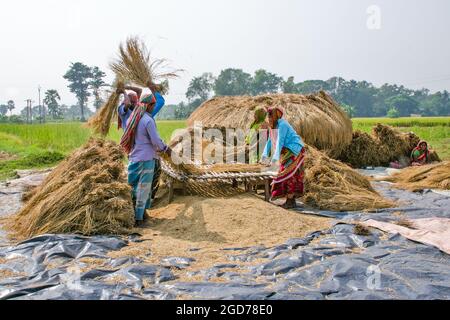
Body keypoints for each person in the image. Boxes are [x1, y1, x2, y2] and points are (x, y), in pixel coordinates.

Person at [120, 95, 172, 227]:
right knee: (143, 189)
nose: (154, 108)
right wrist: (166, 148)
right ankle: (139, 219)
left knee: (132, 187)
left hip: (133, 158)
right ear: (148, 105)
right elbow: (155, 141)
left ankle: (132, 215)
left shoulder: (133, 118)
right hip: (146, 159)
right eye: (153, 106)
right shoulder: (147, 120)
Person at [261, 106, 306, 209]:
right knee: (285, 174)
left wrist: (274, 160)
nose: (269, 119)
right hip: (287, 152)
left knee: (289, 175)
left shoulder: (282, 125)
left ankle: (290, 201)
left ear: (276, 116)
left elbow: (279, 143)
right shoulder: (273, 126)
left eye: (271, 116)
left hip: (295, 151)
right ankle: (290, 200)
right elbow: (269, 142)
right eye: (268, 116)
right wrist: (263, 157)